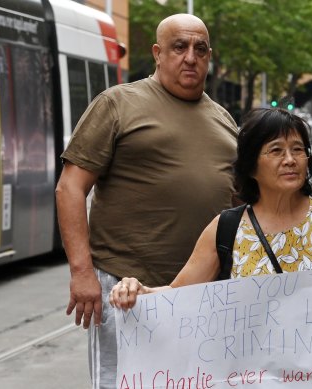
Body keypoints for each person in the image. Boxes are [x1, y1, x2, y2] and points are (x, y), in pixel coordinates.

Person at [55, 14, 238, 389]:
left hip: (202, 292)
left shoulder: (224, 121)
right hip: (126, 290)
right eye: (179, 47)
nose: (190, 57)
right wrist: (82, 272)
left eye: (199, 49)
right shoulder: (117, 103)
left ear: (209, 57)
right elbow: (70, 188)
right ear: (157, 53)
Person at [109, 108, 312, 310]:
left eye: (298, 149)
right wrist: (140, 290)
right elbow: (178, 295)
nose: (290, 159)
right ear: (251, 166)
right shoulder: (226, 229)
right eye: (276, 150)